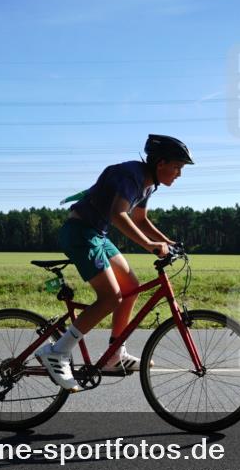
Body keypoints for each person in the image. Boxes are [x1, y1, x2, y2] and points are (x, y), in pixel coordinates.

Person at [34, 134, 194, 391]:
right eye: (177, 167)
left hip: (97, 235)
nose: (179, 174)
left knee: (130, 288)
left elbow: (140, 220)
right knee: (110, 298)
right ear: (161, 163)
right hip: (80, 233)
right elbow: (118, 215)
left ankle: (114, 355)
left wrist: (169, 242)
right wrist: (149, 245)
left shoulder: (149, 184)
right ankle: (57, 351)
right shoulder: (129, 174)